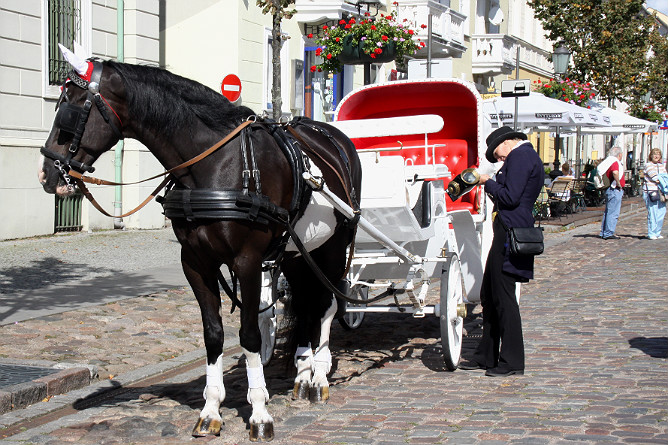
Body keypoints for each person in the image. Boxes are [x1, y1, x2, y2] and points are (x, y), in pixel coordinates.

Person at [459, 126, 544, 377]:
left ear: (507, 143)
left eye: (497, 154)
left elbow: (510, 197)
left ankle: (512, 361)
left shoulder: (520, 156)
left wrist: (488, 183)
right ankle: (487, 355)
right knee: (490, 294)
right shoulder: (525, 156)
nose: (498, 159)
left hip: (511, 232)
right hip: (508, 230)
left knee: (504, 298)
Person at [599, 146, 625, 240]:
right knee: (613, 212)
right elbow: (615, 172)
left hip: (609, 189)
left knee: (608, 211)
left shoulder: (609, 161)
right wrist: (618, 183)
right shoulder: (614, 161)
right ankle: (608, 232)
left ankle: (604, 232)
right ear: (620, 154)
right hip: (614, 189)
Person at [643, 148, 667, 240]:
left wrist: (663, 180)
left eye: (658, 154)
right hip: (651, 192)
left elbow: (665, 177)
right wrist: (662, 180)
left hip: (662, 192)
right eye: (654, 154)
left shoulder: (661, 166)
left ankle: (657, 232)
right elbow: (655, 178)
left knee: (662, 212)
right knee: (653, 212)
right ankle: (651, 233)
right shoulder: (648, 165)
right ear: (651, 156)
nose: (656, 156)